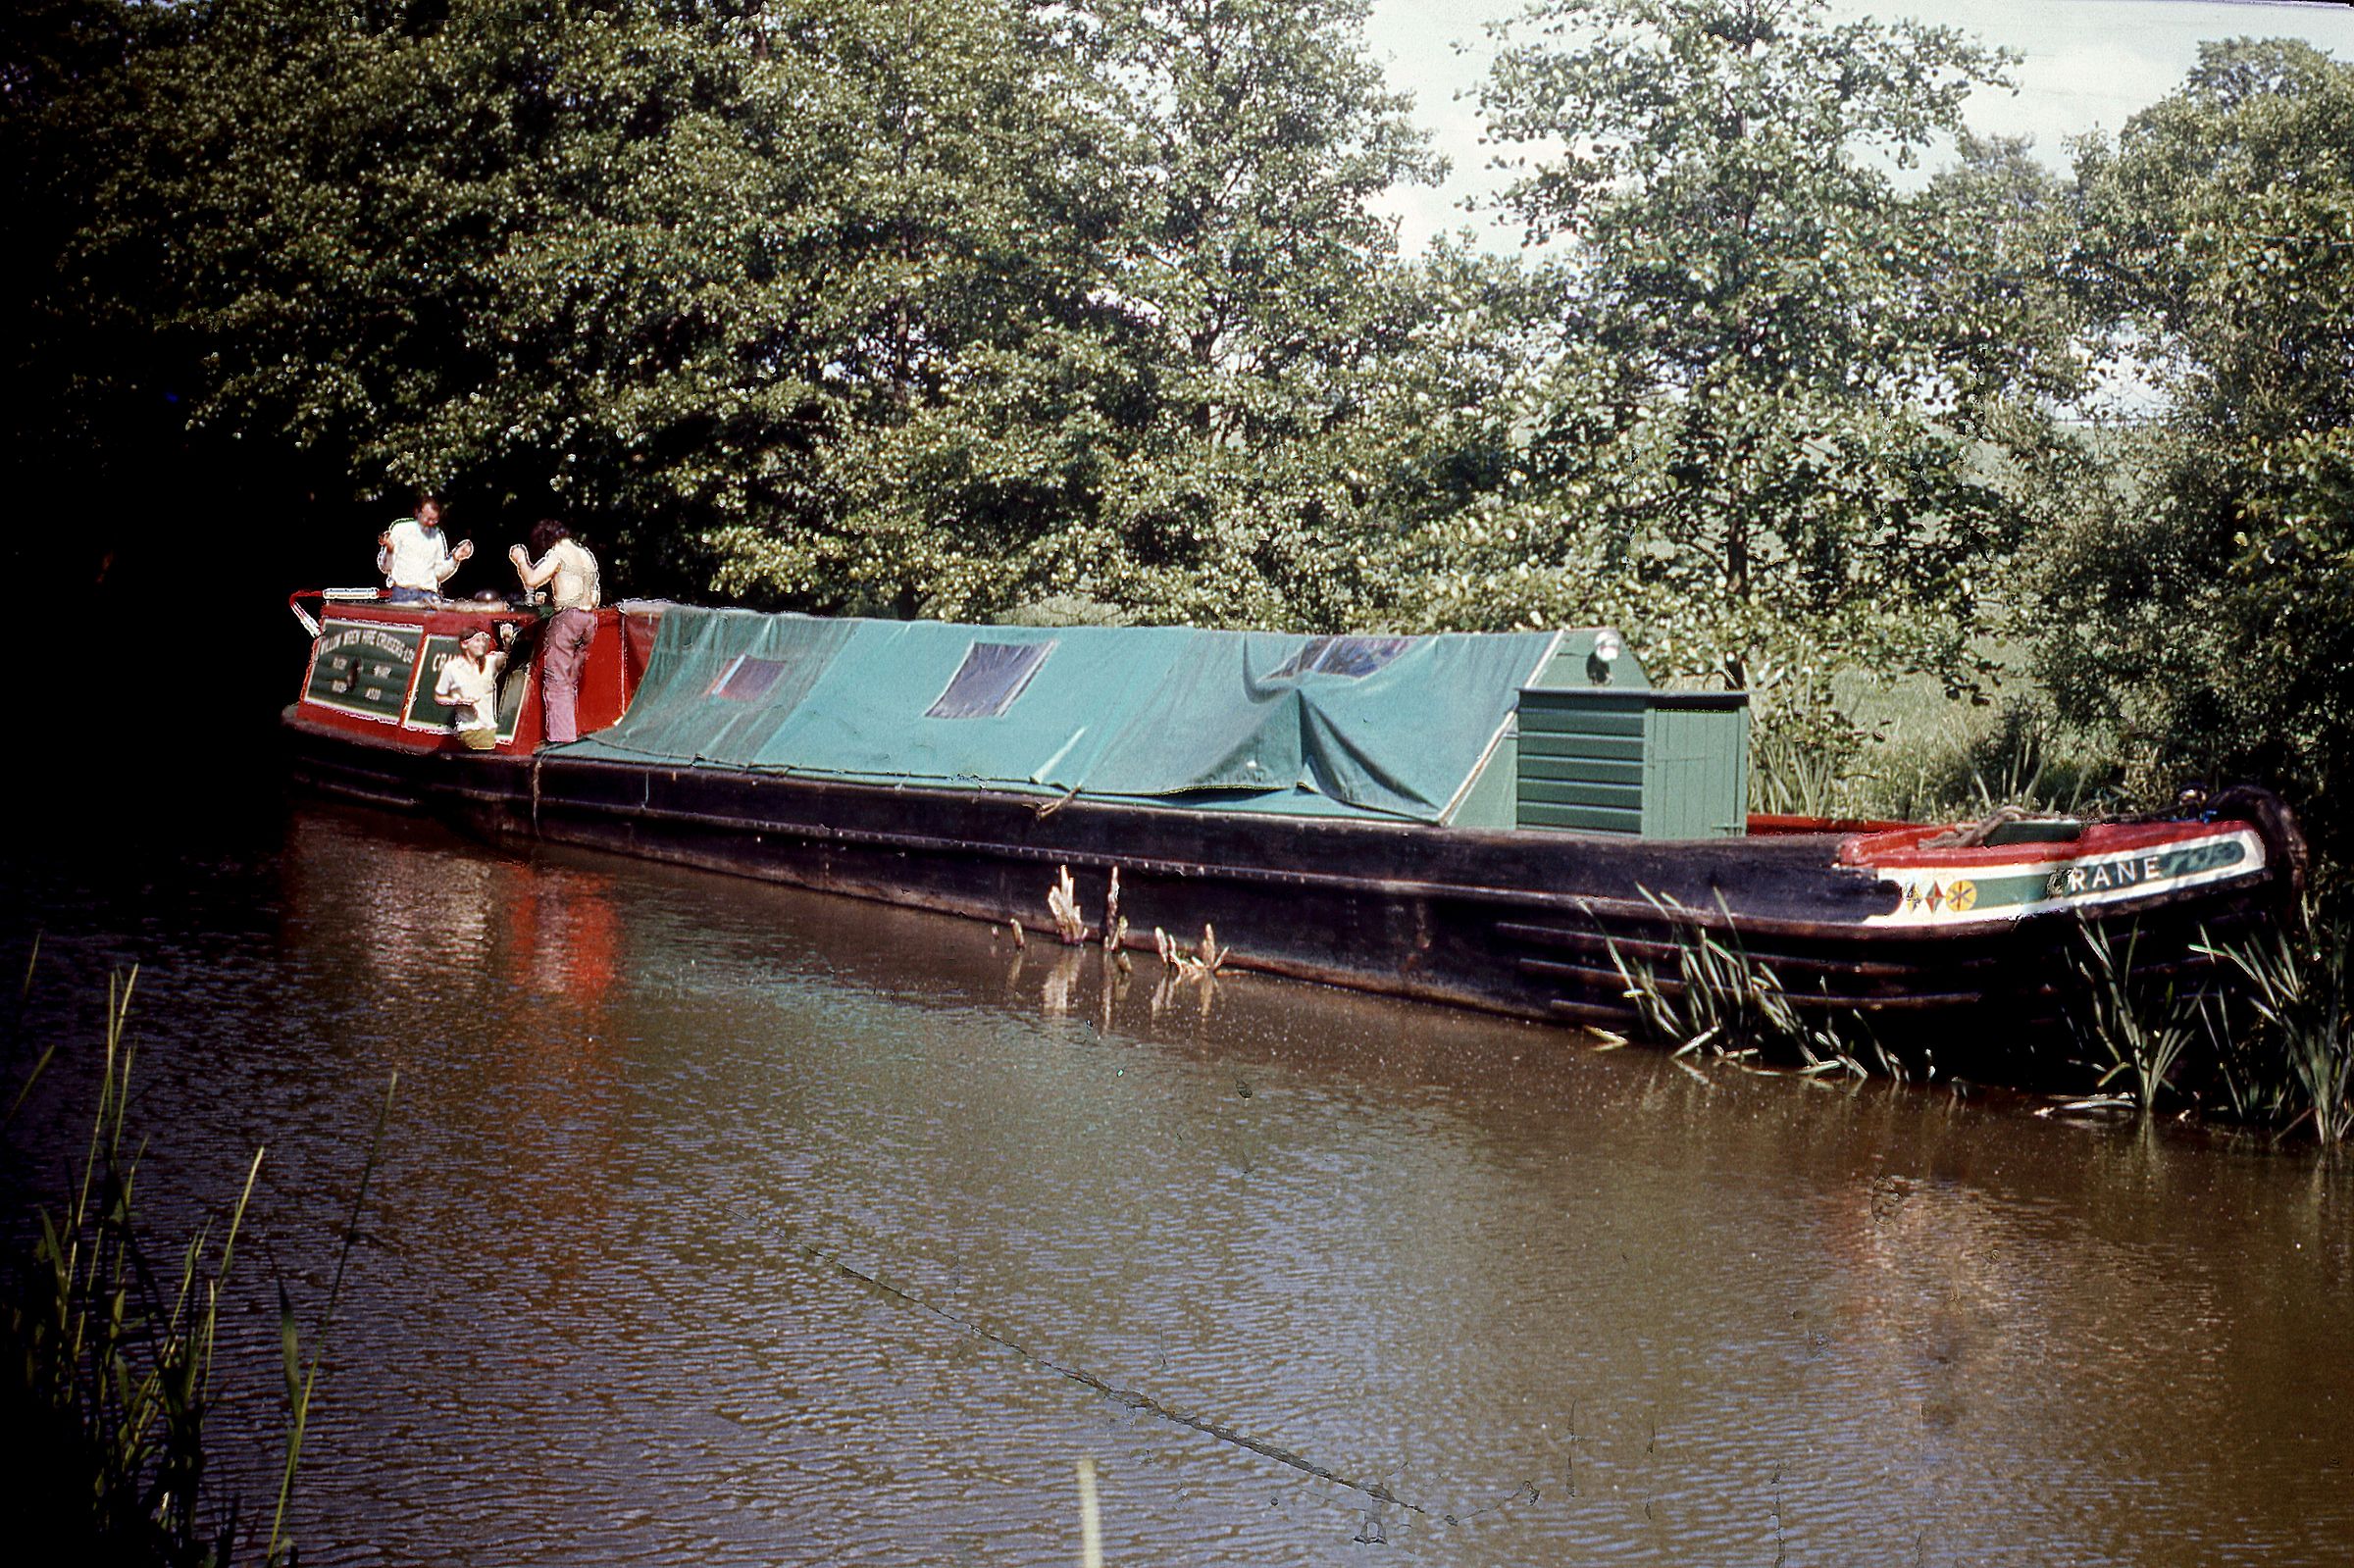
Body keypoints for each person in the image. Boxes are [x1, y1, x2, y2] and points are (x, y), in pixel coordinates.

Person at [509, 519, 602, 744]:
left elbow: (532, 580)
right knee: (570, 682)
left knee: (557, 682)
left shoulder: (557, 554)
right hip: (589, 619)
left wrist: (520, 559)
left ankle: (561, 739)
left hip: (567, 620)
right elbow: (593, 593)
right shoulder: (586, 554)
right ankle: (574, 732)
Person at [377, 494, 475, 603]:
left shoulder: (437, 536)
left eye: (434, 520)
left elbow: (439, 574)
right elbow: (385, 567)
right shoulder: (400, 529)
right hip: (402, 594)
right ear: (417, 513)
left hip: (429, 595)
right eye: (427, 519)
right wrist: (389, 550)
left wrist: (455, 558)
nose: (430, 523)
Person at [433, 623, 514, 751]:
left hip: (488, 728)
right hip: (470, 729)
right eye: (476, 641)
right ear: (465, 645)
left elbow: (505, 657)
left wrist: (507, 642)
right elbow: (439, 697)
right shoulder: (452, 668)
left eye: (482, 642)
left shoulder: (490, 662)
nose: (481, 645)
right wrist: (459, 701)